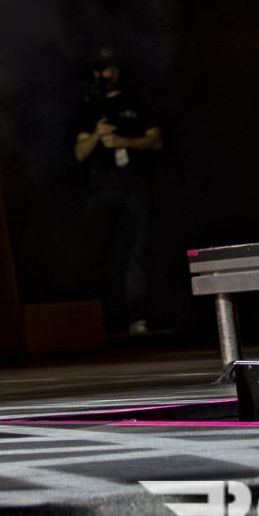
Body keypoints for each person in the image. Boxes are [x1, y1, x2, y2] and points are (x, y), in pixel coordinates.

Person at [72, 49, 163, 335]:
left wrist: (124, 141)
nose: (106, 75)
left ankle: (137, 317)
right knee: (98, 253)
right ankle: (100, 319)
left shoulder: (135, 102)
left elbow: (155, 141)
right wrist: (97, 135)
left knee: (136, 252)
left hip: (134, 186)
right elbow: (80, 153)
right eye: (101, 70)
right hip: (102, 190)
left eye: (110, 68)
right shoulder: (90, 107)